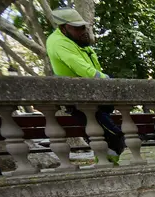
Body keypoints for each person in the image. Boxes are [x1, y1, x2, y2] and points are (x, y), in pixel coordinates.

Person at [46, 7, 124, 164]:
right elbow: (83, 69)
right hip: (80, 101)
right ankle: (106, 165)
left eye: (83, 27)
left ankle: (107, 165)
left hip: (93, 98)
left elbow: (92, 67)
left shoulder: (76, 42)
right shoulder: (59, 42)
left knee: (104, 135)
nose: (83, 31)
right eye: (78, 28)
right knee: (112, 135)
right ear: (64, 28)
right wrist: (108, 81)